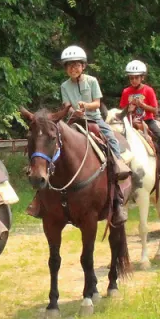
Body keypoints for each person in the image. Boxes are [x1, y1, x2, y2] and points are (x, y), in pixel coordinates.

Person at [26, 45, 130, 219]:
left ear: (83, 66)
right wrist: (74, 112)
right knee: (55, 144)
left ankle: (118, 166)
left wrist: (86, 106)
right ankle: (40, 196)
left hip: (94, 119)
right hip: (75, 119)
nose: (73, 68)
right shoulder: (64, 86)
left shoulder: (92, 81)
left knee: (110, 137)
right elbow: (66, 105)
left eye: (76, 65)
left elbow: (97, 103)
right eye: (69, 65)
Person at [119, 61, 160, 177]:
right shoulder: (126, 91)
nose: (133, 80)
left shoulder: (148, 90)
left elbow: (155, 110)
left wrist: (142, 105)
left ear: (142, 77)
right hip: (130, 122)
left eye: (136, 78)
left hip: (147, 120)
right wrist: (128, 108)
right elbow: (122, 110)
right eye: (131, 78)